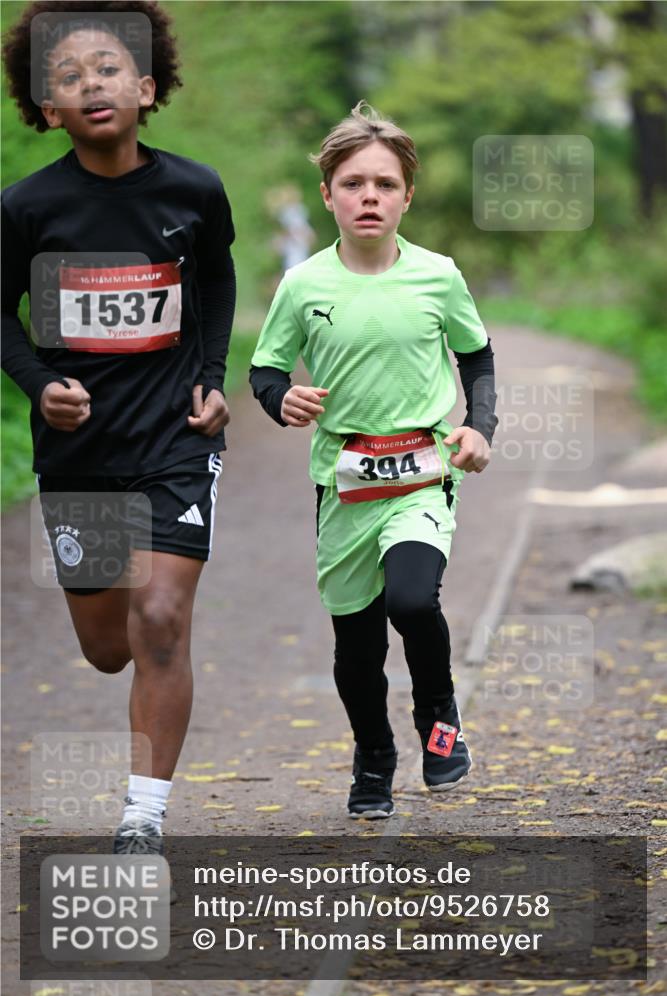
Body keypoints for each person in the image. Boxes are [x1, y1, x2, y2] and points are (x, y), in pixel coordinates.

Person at [1, 1, 236, 852]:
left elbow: (214, 286)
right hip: (80, 453)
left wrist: (212, 380)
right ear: (46, 108)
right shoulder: (26, 208)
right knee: (107, 648)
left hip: (176, 440)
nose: (89, 83)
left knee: (163, 620)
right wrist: (38, 381)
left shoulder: (193, 190)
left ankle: (143, 817)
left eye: (106, 68)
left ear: (144, 86)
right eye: (66, 76)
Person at [250, 102, 497, 820]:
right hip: (342, 477)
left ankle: (438, 717)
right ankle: (373, 754)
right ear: (326, 194)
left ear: (406, 196)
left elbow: (475, 353)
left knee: (413, 600)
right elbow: (265, 371)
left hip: (421, 467)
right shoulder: (302, 285)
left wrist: (477, 427)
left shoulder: (436, 274)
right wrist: (282, 400)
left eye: (384, 184)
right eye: (353, 183)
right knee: (355, 643)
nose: (369, 197)